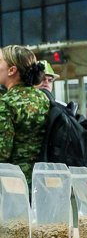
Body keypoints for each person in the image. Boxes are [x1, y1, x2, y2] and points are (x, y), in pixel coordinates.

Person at [0, 46, 50, 184]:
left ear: (12, 70)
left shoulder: (6, 102)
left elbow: (2, 153)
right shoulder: (43, 98)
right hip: (43, 179)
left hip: (16, 182)